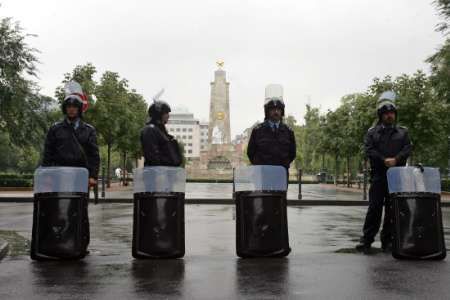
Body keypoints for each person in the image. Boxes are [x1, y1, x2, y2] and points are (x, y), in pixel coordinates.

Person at [356, 90, 412, 253]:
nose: (389, 116)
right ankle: (366, 240)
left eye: (392, 113)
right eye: (386, 113)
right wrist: (383, 160)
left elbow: (408, 148)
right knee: (374, 208)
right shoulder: (372, 132)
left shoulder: (403, 132)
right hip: (379, 176)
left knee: (392, 210)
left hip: (396, 178)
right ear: (381, 115)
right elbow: (369, 149)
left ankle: (387, 241)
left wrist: (396, 159)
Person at [247, 84, 296, 173]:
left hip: (281, 174)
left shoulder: (288, 132)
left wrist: (284, 164)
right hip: (262, 174)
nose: (276, 112)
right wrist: (259, 165)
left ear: (282, 112)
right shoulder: (257, 130)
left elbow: (292, 154)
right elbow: (250, 153)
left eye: (278, 109)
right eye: (273, 109)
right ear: (267, 112)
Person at [141, 100, 182, 167]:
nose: (168, 116)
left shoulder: (161, 131)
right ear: (158, 114)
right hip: (158, 173)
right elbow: (152, 156)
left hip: (166, 172)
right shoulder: (150, 130)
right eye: (166, 113)